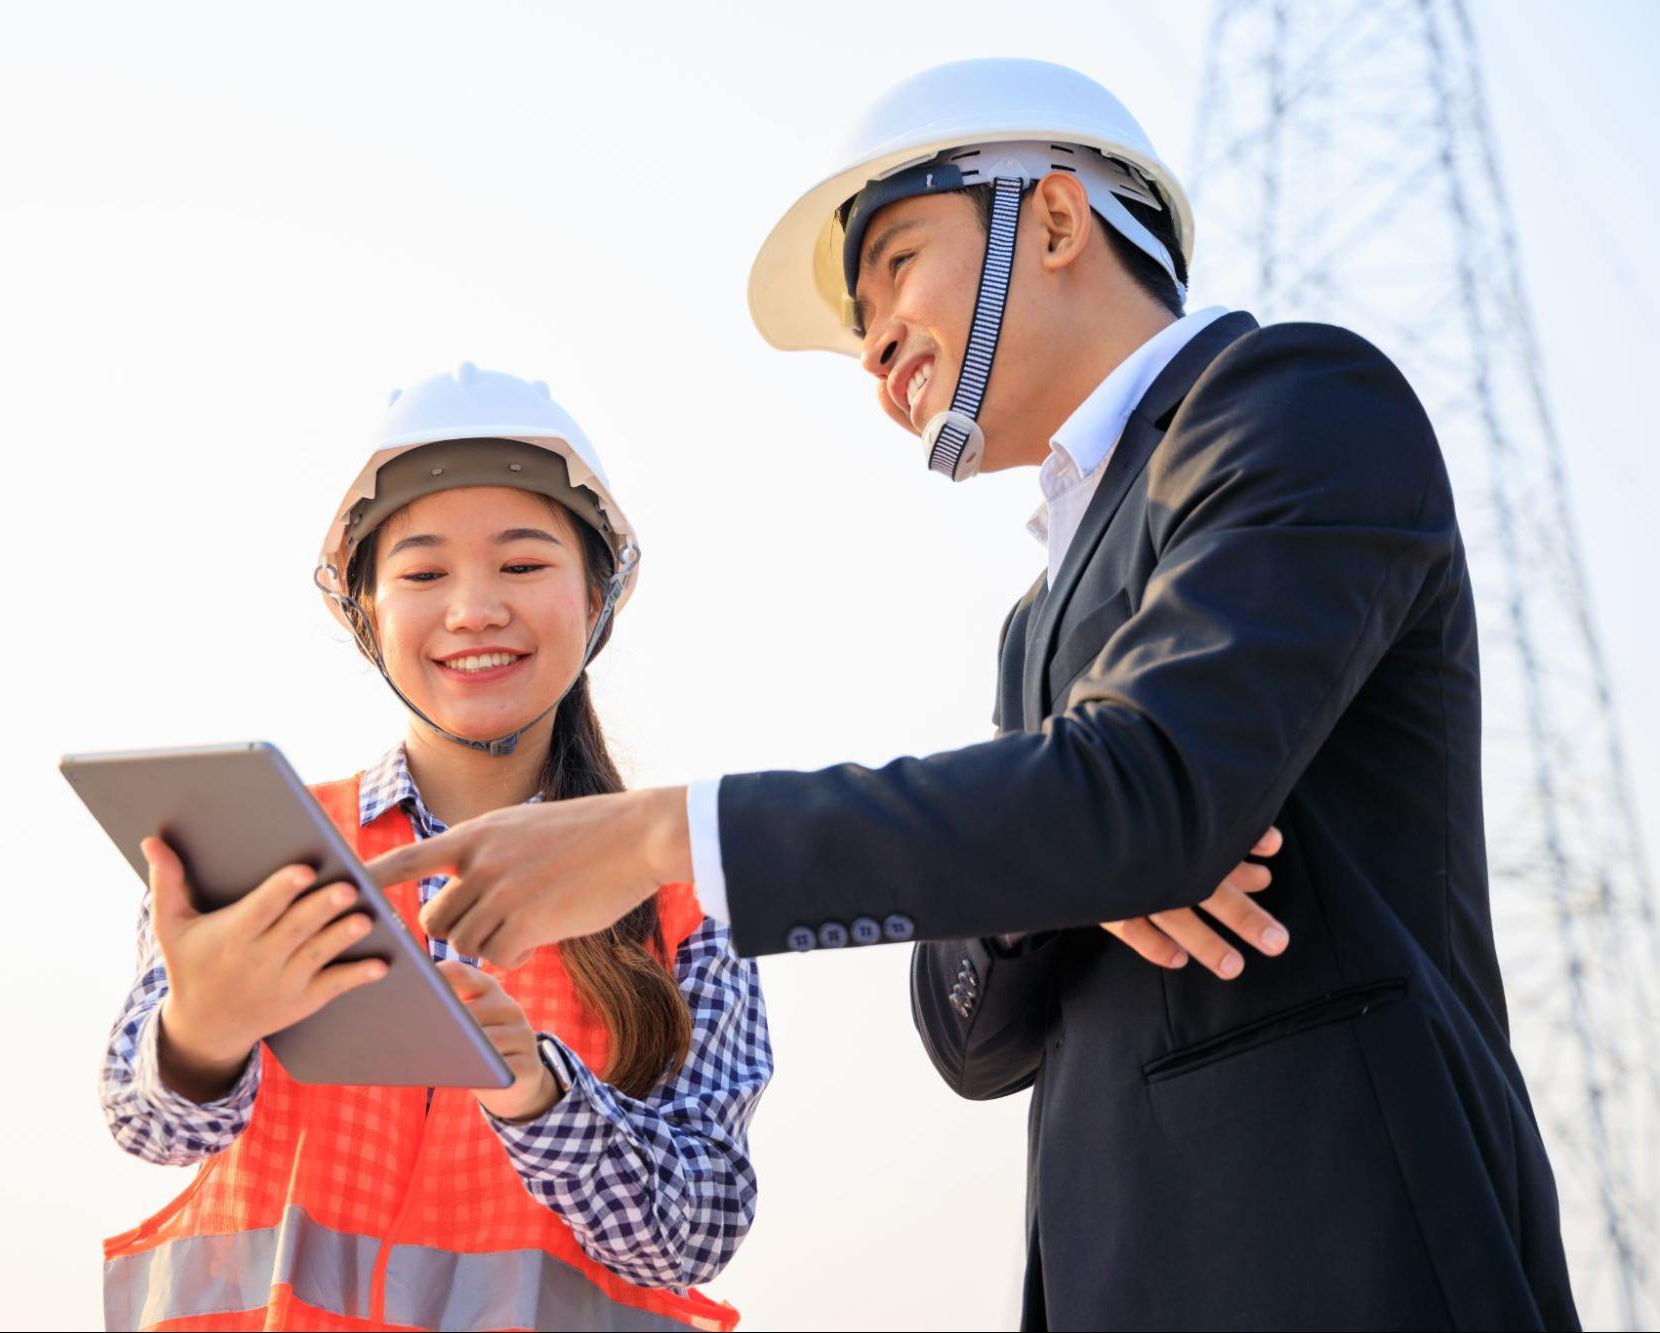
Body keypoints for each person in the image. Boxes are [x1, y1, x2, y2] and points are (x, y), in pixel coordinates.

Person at [365, 61, 1580, 1329]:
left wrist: (667, 832)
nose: (872, 334)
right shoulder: (1033, 624)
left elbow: (1152, 797)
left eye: (895, 260)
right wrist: (1060, 872)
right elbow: (974, 1038)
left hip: (1350, 1256)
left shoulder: (1293, 403)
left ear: (1054, 219)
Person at [96, 364, 770, 1332]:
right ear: (366, 612)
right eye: (420, 573)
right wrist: (203, 1029)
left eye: (523, 564)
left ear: (597, 597)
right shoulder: (261, 846)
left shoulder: (685, 898)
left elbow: (695, 1229)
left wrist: (537, 1093)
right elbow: (147, 1124)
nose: (472, 609)